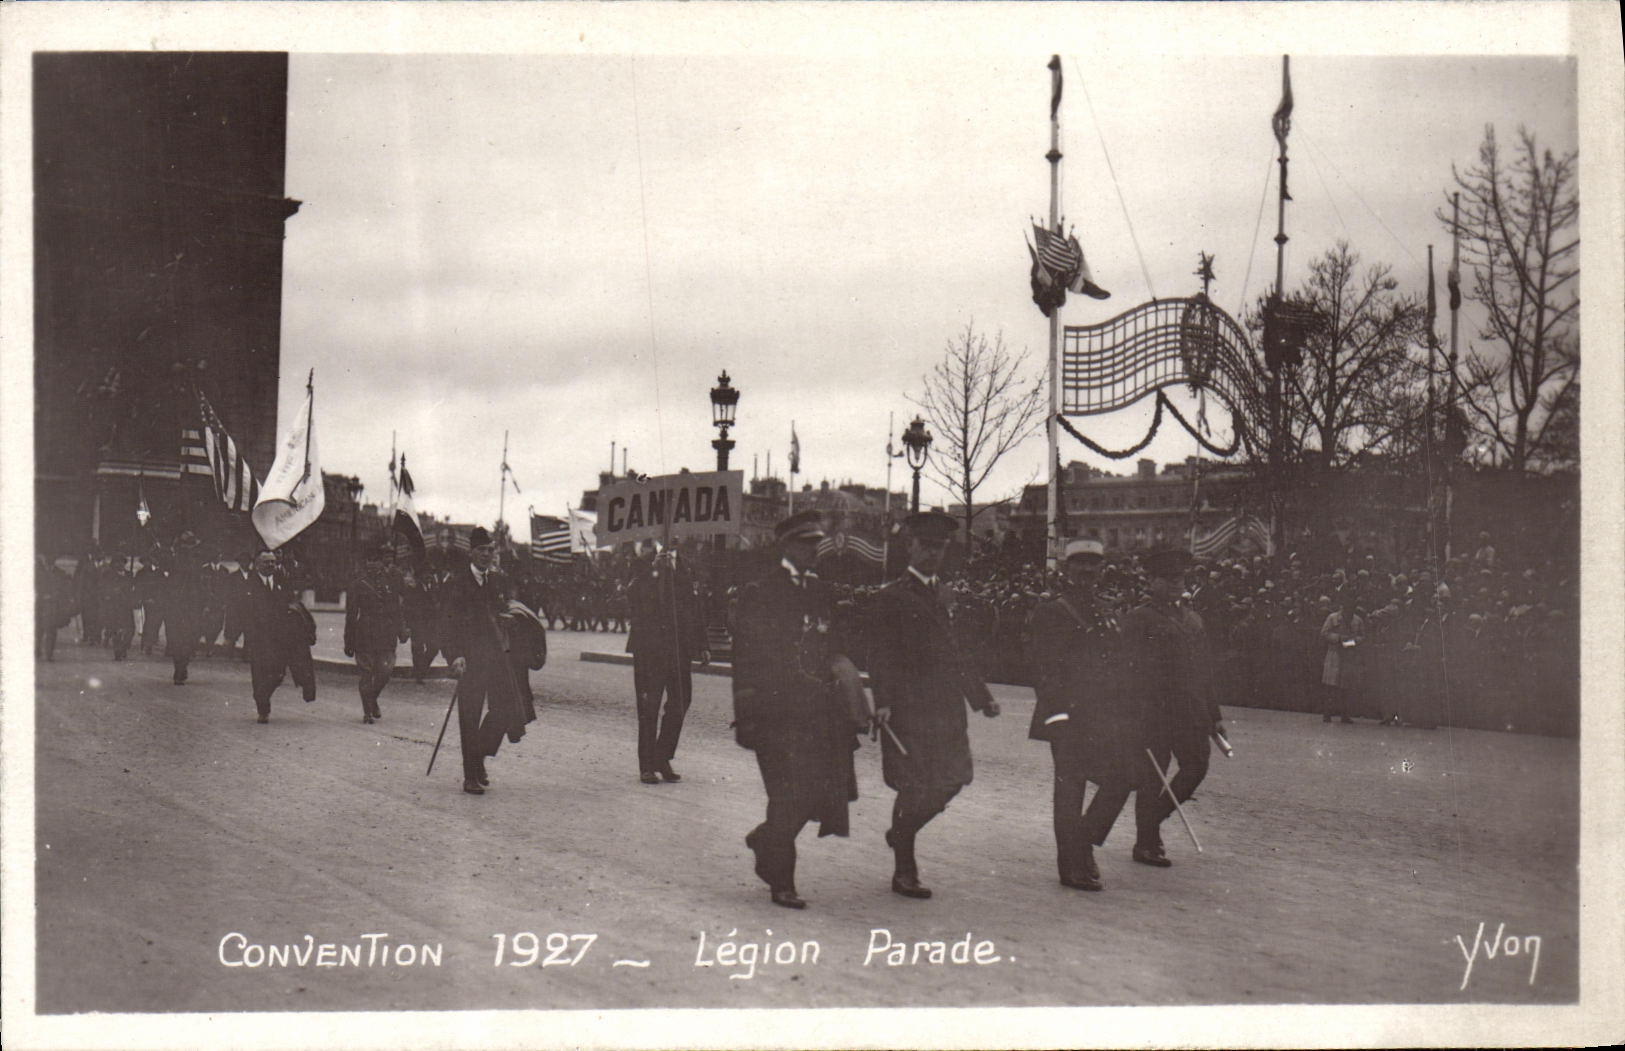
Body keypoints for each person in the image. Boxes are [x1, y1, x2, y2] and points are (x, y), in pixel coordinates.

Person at [731, 510, 863, 909]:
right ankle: (782, 881)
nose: (813, 551)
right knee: (787, 797)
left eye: (815, 544)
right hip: (776, 715)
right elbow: (746, 659)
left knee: (818, 795)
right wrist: (749, 713)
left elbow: (835, 643)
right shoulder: (762, 592)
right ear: (787, 546)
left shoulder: (821, 591)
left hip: (820, 715)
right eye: (806, 544)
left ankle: (766, 840)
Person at [868, 510, 1000, 899]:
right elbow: (881, 655)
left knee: (953, 780)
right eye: (924, 546)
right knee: (913, 786)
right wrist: (885, 701)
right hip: (910, 710)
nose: (931, 554)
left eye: (938, 548)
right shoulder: (891, 597)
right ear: (909, 547)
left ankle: (901, 832)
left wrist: (982, 697)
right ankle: (904, 871)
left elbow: (957, 653)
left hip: (946, 710)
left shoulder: (945, 595)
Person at [1026, 538, 1136, 891]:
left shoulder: (1107, 610)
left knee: (1122, 777)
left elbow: (1119, 665)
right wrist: (1057, 715)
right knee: (1070, 790)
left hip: (1105, 714)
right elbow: (1043, 667)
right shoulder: (1053, 611)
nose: (1088, 572)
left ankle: (1084, 841)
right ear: (1068, 569)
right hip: (1068, 715)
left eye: (1094, 566)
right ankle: (1070, 865)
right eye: (1080, 566)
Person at [440, 526, 526, 795]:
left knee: (504, 710)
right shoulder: (456, 583)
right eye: (481, 551)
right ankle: (470, 776)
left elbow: (503, 611)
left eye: (490, 550)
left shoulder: (496, 582)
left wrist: (509, 621)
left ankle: (478, 758)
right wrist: (454, 656)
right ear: (471, 552)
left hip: (497, 659)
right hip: (470, 661)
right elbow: (446, 624)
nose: (486, 555)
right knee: (469, 716)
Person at [625, 543, 710, 784]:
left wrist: (703, 644)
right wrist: (652, 570)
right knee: (649, 707)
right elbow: (631, 597)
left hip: (678, 649)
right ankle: (647, 766)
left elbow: (695, 607)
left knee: (681, 702)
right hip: (649, 649)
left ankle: (661, 756)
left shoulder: (685, 564)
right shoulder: (641, 562)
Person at [240, 547, 318, 723]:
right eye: (266, 562)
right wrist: (232, 635)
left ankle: (263, 697)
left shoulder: (282, 581)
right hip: (259, 638)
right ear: (257, 564)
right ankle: (263, 708)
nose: (270, 565)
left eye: (273, 562)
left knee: (277, 673)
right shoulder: (249, 585)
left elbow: (291, 603)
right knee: (261, 673)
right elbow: (240, 613)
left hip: (281, 637)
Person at [344, 541, 409, 724]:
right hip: (364, 635)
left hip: (387, 636)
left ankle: (372, 699)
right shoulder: (358, 584)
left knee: (385, 672)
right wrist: (349, 641)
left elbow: (397, 609)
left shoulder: (391, 582)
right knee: (366, 674)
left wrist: (401, 631)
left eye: (376, 561)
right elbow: (351, 615)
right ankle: (367, 712)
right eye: (369, 561)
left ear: (382, 563)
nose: (372, 564)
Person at [164, 531, 207, 685]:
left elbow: (203, 585)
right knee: (176, 637)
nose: (187, 549)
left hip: (194, 604)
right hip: (176, 604)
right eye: (184, 546)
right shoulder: (173, 560)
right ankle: (179, 667)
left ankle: (183, 664)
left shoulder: (198, 562)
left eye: (190, 546)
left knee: (191, 637)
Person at [1319, 593, 1364, 724]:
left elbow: (1363, 636)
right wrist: (1338, 638)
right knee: (1330, 685)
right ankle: (1327, 713)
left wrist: (1354, 640)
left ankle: (1345, 714)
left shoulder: (1358, 620)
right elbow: (1324, 633)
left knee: (1346, 687)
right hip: (1334, 653)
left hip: (1350, 654)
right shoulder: (1332, 618)